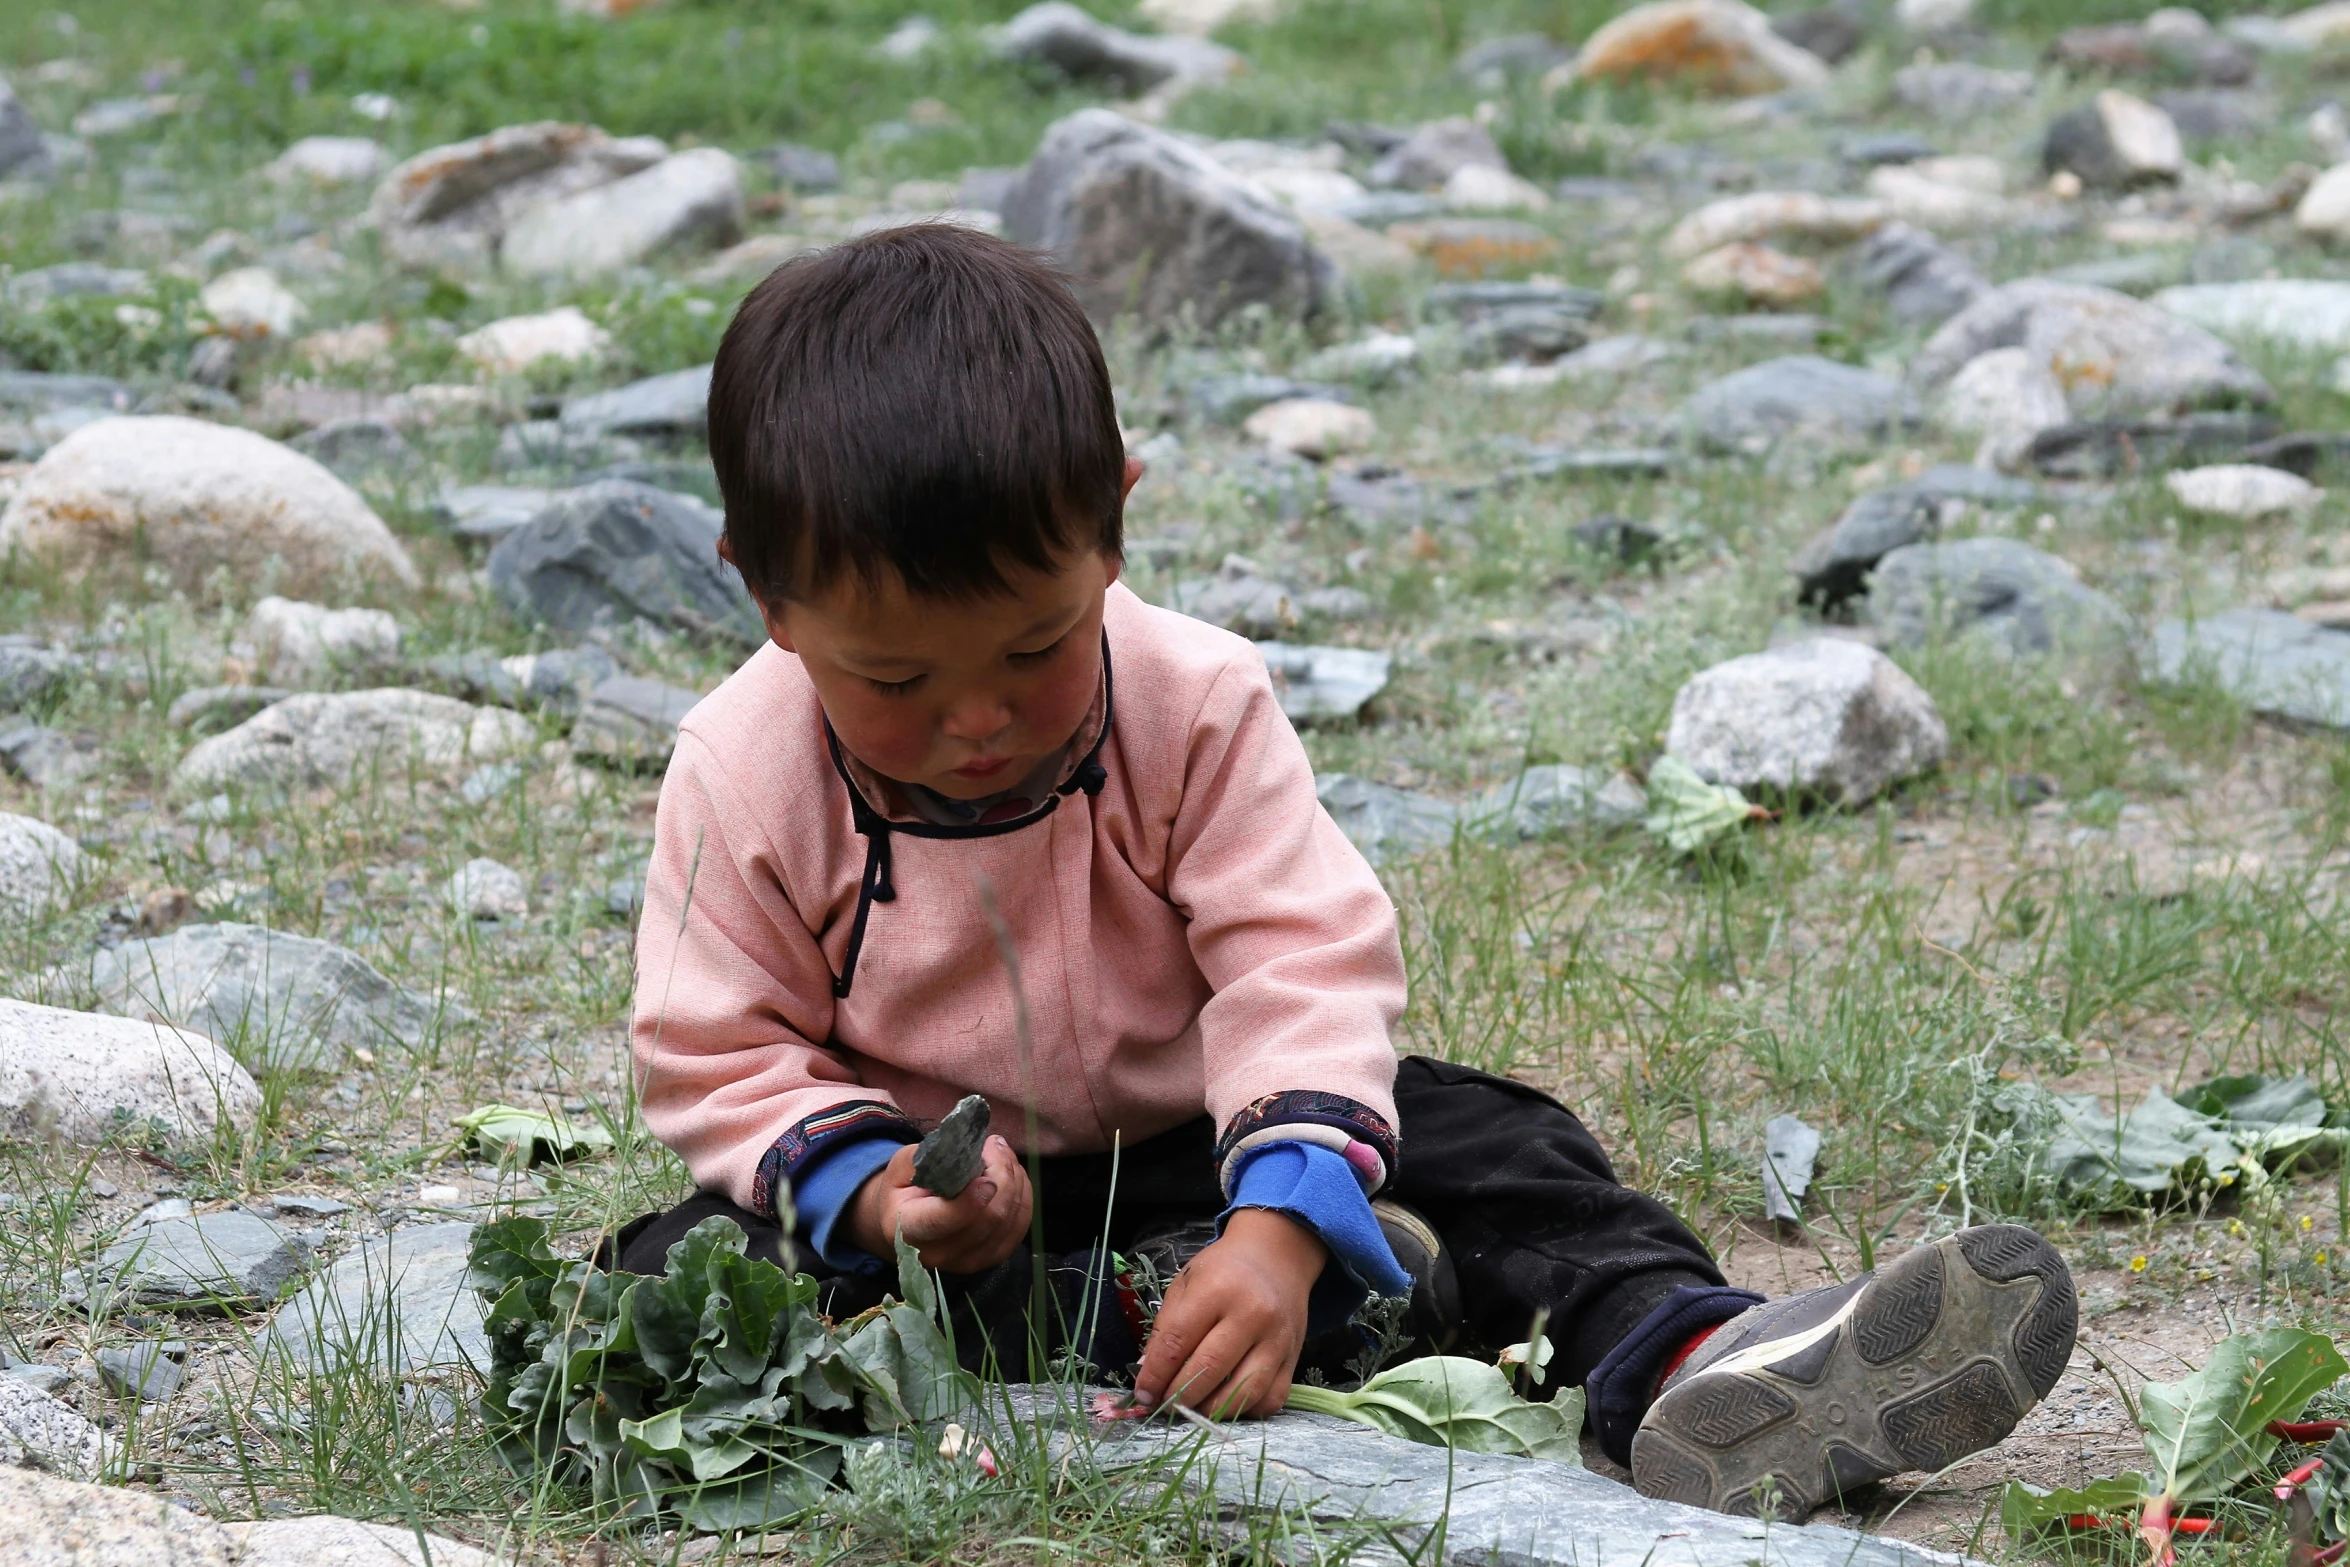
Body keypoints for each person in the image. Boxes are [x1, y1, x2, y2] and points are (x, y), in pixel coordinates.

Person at [610, 222, 2077, 1519]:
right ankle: (1166, 1311)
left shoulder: (1194, 700)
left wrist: (1274, 1219)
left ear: (1114, 521)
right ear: (762, 594)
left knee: (1509, 1147)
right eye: (897, 678)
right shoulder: (744, 764)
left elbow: (1294, 957)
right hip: (933, 1200)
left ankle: (1688, 1357)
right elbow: (714, 1044)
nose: (976, 718)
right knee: (665, 1278)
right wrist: (873, 1194)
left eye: (1031, 647)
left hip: (1204, 1139)